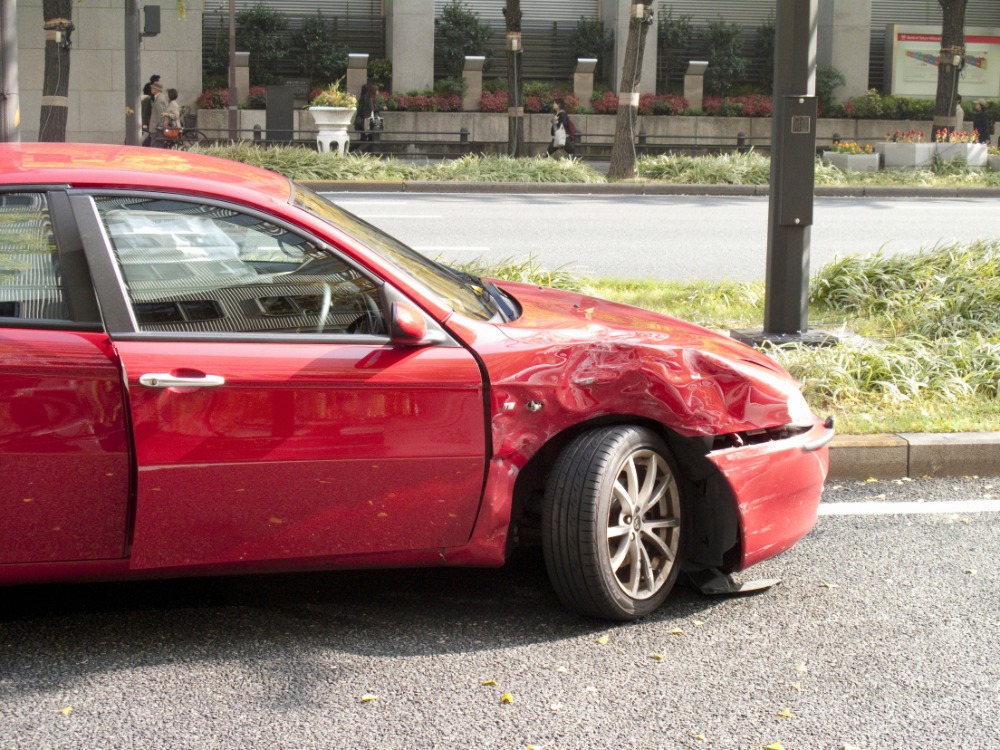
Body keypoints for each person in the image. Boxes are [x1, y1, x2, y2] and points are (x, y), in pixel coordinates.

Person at [354, 82, 381, 152]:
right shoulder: (368, 99)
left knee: (366, 139)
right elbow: (370, 111)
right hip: (367, 121)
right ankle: (355, 152)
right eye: (377, 90)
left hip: (366, 121)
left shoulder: (367, 99)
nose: (378, 92)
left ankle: (357, 152)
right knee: (367, 140)